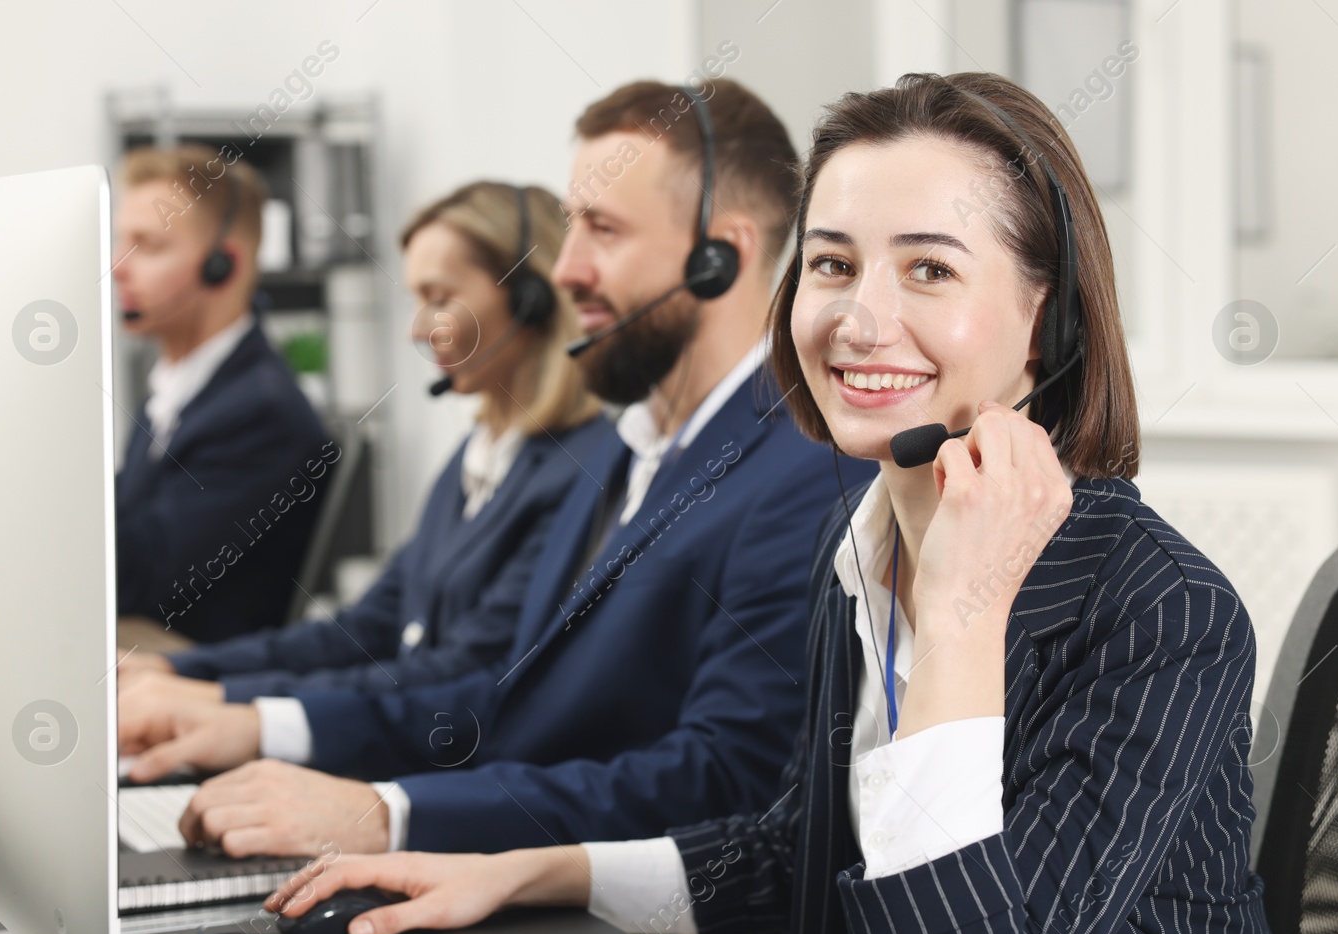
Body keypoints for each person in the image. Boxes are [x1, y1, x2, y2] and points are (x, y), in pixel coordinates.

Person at [264, 72, 1307, 934]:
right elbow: (801, 854)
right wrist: (524, 873)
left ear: (1047, 320)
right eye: (833, 263)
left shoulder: (1159, 609)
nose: (857, 319)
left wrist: (958, 618)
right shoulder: (855, 545)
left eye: (930, 268)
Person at [115, 77, 873, 862]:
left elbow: (720, 783)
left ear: (722, 255)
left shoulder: (808, 471)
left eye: (603, 230)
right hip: (520, 872)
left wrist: (391, 814)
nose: (568, 268)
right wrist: (261, 725)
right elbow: (507, 698)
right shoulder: (623, 451)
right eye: (572, 227)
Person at [118, 182, 611, 778]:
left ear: (530, 300)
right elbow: (366, 630)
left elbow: (465, 670)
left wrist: (227, 701)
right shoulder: (475, 457)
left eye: (439, 296)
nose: (415, 329)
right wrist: (188, 673)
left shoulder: (583, 472)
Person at [113, 145, 329, 645]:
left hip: (194, 668)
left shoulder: (259, 411)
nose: (118, 267)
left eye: (148, 246)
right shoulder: (175, 390)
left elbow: (138, 584)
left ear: (222, 265)